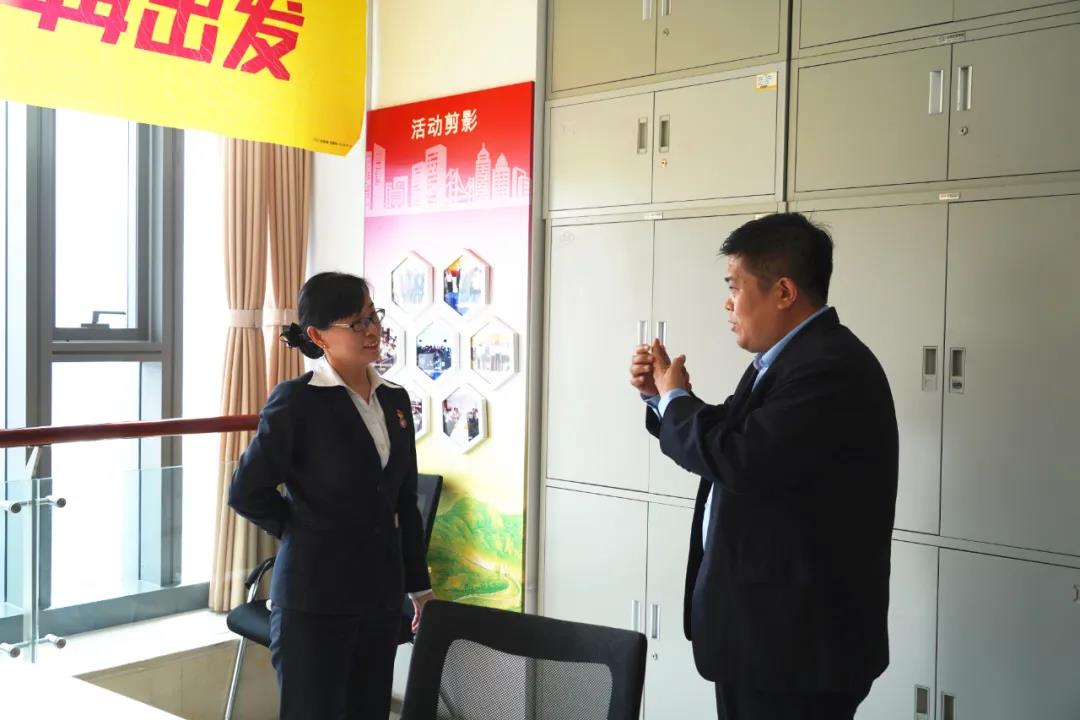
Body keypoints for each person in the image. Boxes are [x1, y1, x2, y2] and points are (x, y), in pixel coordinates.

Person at [630, 213, 898, 720]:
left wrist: (675, 400)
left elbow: (740, 458)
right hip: (767, 640)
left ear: (783, 292)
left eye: (735, 286)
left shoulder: (829, 367)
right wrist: (661, 398)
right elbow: (736, 434)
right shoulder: (790, 362)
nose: (728, 303)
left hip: (797, 652)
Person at [229, 272, 434, 720]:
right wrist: (302, 528)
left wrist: (419, 588)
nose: (373, 330)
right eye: (357, 322)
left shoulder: (395, 400)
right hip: (313, 597)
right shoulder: (296, 402)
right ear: (319, 336)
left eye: (373, 317)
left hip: (379, 596)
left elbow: (404, 501)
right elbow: (246, 490)